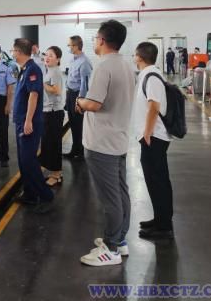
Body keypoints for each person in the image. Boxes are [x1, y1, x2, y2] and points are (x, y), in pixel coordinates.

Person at [76, 20, 135, 267]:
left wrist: (79, 102)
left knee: (110, 198)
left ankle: (110, 248)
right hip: (118, 139)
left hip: (101, 143)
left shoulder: (103, 67)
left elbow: (94, 103)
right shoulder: (126, 65)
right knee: (121, 193)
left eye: (95, 38)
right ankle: (119, 240)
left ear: (101, 40)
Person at [133, 42, 175, 240]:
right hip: (151, 136)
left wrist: (148, 133)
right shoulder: (148, 74)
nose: (134, 57)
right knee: (154, 180)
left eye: (135, 54)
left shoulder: (151, 77)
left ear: (139, 57)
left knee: (158, 180)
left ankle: (164, 226)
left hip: (154, 137)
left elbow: (154, 107)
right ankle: (159, 218)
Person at [11, 38, 54, 211]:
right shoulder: (24, 69)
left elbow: (33, 95)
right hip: (21, 121)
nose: (12, 53)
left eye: (13, 50)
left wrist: (28, 120)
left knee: (29, 160)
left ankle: (45, 196)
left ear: (19, 52)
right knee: (23, 160)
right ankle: (29, 193)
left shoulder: (32, 69)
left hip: (28, 122)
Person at [63, 36, 92, 160]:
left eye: (69, 45)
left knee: (79, 125)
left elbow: (85, 85)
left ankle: (80, 152)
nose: (68, 47)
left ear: (76, 46)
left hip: (77, 96)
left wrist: (80, 101)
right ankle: (75, 149)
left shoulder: (84, 62)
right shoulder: (73, 59)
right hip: (70, 94)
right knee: (73, 124)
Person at [41, 46, 65, 186]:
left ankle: (57, 175)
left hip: (54, 112)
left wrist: (41, 84)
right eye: (46, 54)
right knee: (48, 143)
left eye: (51, 55)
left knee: (54, 144)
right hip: (48, 111)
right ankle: (52, 170)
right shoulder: (49, 70)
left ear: (58, 59)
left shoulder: (55, 71)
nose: (47, 57)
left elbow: (56, 90)